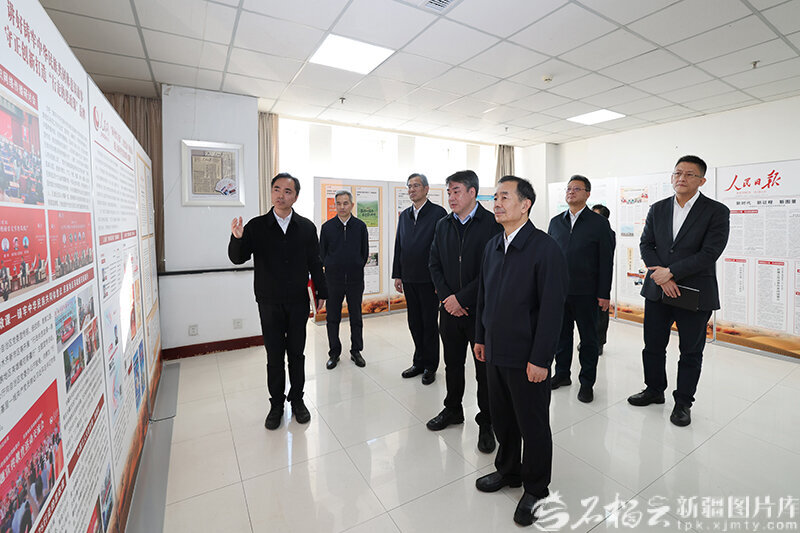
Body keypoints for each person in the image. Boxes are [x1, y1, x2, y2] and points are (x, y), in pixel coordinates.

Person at [474, 176, 568, 527]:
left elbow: (552, 310)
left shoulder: (545, 249)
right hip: (495, 350)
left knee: (533, 424)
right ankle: (509, 470)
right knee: (503, 418)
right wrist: (481, 337)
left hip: (527, 355)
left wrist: (541, 359)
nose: (496, 204)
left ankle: (536, 488)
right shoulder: (493, 246)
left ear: (525, 204)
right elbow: (484, 296)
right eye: (495, 198)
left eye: (504, 197)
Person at [628, 155, 730, 427]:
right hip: (658, 291)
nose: (681, 178)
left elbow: (710, 252)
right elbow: (646, 244)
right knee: (653, 345)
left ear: (702, 180)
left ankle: (683, 403)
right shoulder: (658, 208)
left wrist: (671, 272)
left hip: (694, 293)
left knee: (690, 351)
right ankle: (654, 390)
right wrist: (662, 278)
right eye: (677, 173)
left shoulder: (716, 211)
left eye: (689, 174)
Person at [228, 173, 327, 430]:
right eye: (276, 189)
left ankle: (298, 400)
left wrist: (322, 293)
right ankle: (276, 404)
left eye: (287, 191)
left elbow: (315, 262)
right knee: (274, 355)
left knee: (296, 354)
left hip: (297, 301)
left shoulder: (306, 227)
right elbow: (237, 258)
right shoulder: (256, 226)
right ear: (271, 192)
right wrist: (237, 238)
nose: (281, 195)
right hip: (269, 301)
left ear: (296, 196)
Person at [426, 170, 502, 453]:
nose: (451, 197)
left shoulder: (491, 225)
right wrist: (448, 298)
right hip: (448, 310)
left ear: (472, 192)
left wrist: (462, 299)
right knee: (453, 363)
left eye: (456, 191)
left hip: (480, 312)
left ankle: (487, 421)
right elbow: (434, 263)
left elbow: (492, 271)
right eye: (449, 192)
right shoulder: (443, 224)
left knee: (484, 369)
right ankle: (453, 409)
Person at [548, 176, 614, 403]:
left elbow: (606, 261)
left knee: (588, 340)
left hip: (588, 293)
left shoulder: (599, 224)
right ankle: (562, 374)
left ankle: (587, 383)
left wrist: (604, 294)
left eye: (577, 188)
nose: (571, 192)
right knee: (561, 337)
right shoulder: (556, 222)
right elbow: (550, 258)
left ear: (588, 194)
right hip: (560, 292)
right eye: (568, 188)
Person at [392, 173, 447, 385]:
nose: (412, 190)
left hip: (429, 279)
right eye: (409, 186)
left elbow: (442, 248)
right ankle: (418, 361)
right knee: (414, 322)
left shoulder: (438, 214)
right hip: (409, 277)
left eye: (416, 185)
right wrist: (397, 274)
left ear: (426, 189)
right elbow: (399, 244)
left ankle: (430, 366)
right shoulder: (405, 215)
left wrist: (440, 281)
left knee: (429, 323)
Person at [319, 190, 369, 369]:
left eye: (345, 203)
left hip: (355, 280)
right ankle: (334, 353)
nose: (342, 207)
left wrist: (356, 264)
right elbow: (322, 253)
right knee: (332, 318)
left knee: (356, 317)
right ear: (335, 205)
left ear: (352, 205)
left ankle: (356, 351)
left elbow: (364, 252)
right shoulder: (327, 227)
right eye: (338, 203)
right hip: (333, 280)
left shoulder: (360, 226)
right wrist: (331, 266)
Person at [591, 204, 616, 354]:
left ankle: (599, 342)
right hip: (586, 281)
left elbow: (607, 261)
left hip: (600, 279)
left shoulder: (608, 233)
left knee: (601, 312)